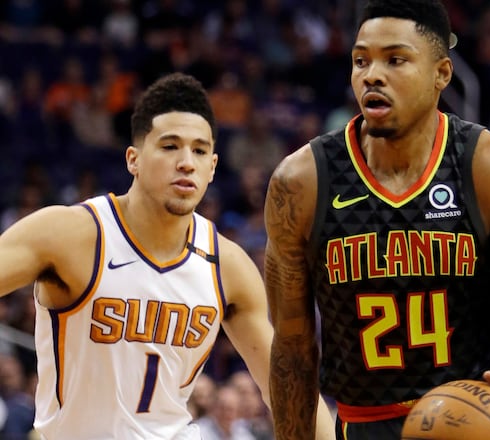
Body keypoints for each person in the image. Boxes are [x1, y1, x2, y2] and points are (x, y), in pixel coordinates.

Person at [262, 1, 490, 439]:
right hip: (368, 423)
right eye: (360, 60)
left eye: (395, 59)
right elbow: (292, 348)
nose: (372, 75)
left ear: (442, 73)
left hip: (481, 414)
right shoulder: (302, 182)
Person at [0, 72, 334, 439]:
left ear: (212, 168)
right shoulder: (68, 235)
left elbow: (287, 389)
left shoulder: (228, 266)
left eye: (200, 150)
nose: (187, 162)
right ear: (134, 159)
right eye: (170, 146)